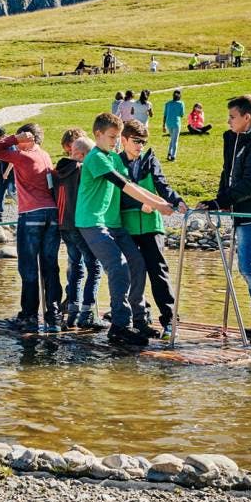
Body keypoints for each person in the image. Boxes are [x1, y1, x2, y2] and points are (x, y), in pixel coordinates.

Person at [75, 112, 174, 347]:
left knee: (137, 263)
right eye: (112, 136)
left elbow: (133, 185)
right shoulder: (97, 157)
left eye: (118, 137)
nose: (116, 141)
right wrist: (158, 205)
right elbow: (124, 185)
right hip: (92, 222)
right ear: (98, 135)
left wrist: (161, 202)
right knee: (118, 268)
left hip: (113, 223)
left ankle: (139, 320)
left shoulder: (114, 158)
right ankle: (119, 326)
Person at [198, 95, 251, 347]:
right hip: (241, 209)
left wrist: (222, 201)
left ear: (247, 118)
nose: (228, 121)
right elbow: (228, 174)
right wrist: (218, 199)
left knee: (248, 266)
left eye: (232, 117)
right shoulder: (237, 139)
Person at [0, 124, 62, 333]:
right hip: (52, 214)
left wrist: (13, 138)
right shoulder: (45, 155)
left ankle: (29, 316)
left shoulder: (23, 156)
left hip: (31, 215)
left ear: (27, 139)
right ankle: (53, 315)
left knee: (28, 267)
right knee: (50, 266)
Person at [119, 120, 188, 341]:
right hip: (127, 227)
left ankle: (169, 320)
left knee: (158, 272)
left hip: (152, 226)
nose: (140, 146)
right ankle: (139, 316)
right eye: (136, 141)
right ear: (124, 140)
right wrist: (139, 205)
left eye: (143, 142)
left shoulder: (150, 160)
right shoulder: (115, 163)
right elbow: (117, 197)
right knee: (132, 273)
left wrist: (177, 201)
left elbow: (162, 185)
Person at [54, 129, 104, 330]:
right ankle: (87, 312)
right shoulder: (82, 169)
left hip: (63, 225)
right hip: (80, 224)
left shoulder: (59, 171)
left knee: (76, 266)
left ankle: (72, 313)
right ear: (82, 156)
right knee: (94, 266)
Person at [162, 90, 185, 161]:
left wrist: (163, 125)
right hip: (176, 123)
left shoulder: (168, 103)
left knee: (172, 139)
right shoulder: (181, 103)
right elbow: (182, 114)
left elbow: (165, 115)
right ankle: (173, 156)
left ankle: (169, 153)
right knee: (175, 140)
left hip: (168, 123)